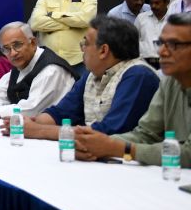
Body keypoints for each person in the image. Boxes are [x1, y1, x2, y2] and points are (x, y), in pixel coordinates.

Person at [0, 16, 157, 141]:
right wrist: (28, 124)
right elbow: (60, 113)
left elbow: (109, 133)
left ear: (103, 51)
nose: (82, 49)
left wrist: (39, 130)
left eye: (85, 44)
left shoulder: (138, 76)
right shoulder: (91, 75)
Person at [74, 12, 191, 167]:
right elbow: (146, 134)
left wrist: (118, 148)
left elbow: (188, 155)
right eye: (161, 43)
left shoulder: (139, 74)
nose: (161, 52)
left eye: (174, 44)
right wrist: (93, 143)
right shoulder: (170, 82)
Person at [0, 21, 76, 120]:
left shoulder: (51, 70)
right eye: (6, 49)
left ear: (33, 43)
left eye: (17, 45)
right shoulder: (18, 67)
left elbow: (30, 111)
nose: (13, 53)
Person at [29, 0, 97, 77]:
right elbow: (35, 23)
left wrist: (53, 15)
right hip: (49, 61)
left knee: (80, 94)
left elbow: (86, 20)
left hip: (78, 61)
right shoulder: (44, 0)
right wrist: (72, 23)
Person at [136, 0, 170, 67]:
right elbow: (134, 41)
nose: (153, 6)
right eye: (151, 3)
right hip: (144, 64)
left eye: (157, 3)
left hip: (167, 62)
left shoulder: (173, 19)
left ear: (167, 2)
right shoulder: (141, 18)